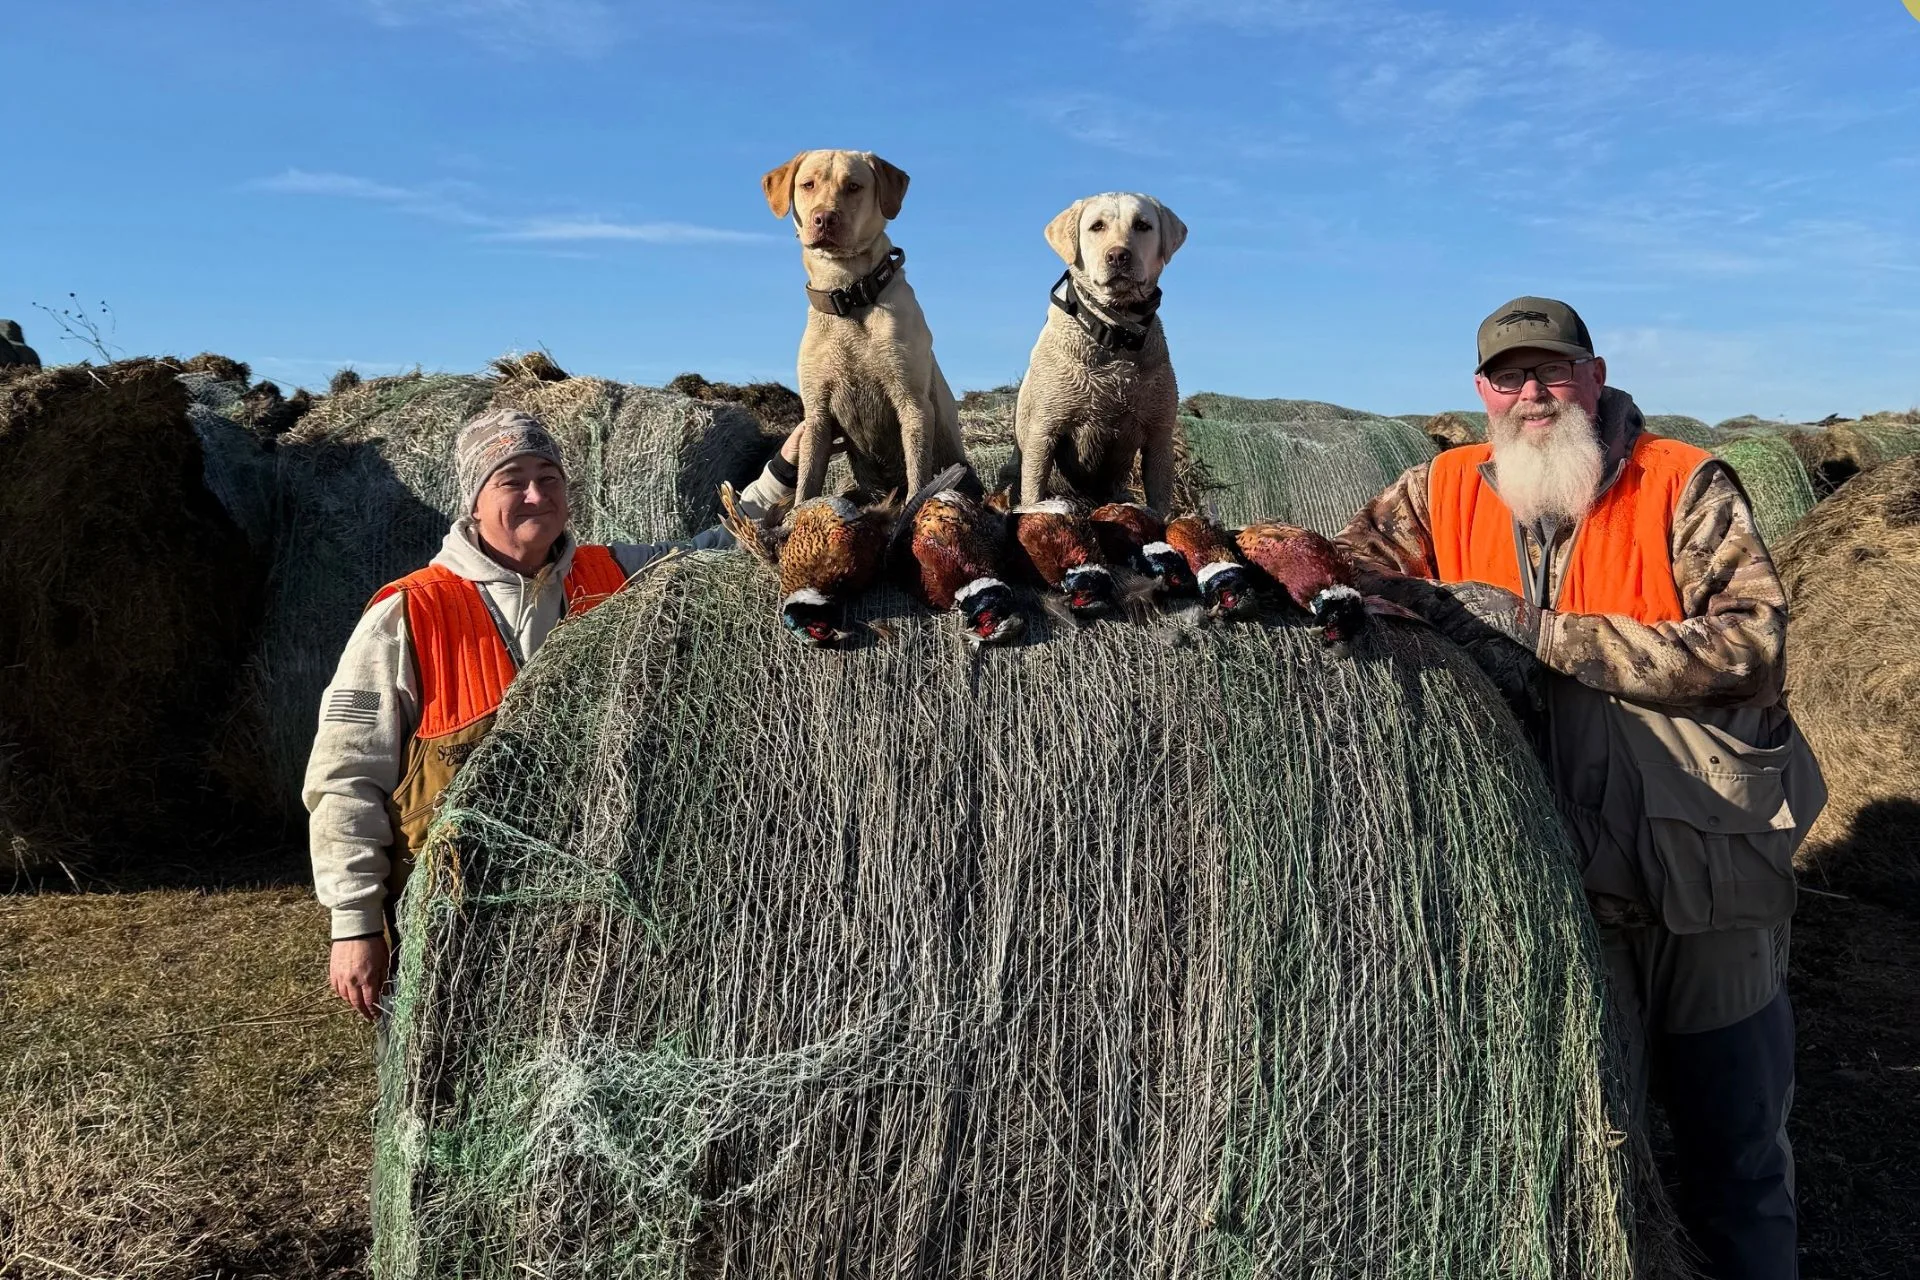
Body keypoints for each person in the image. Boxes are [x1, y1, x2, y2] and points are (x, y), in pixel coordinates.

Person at [1339, 297, 1825, 1280]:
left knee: (1735, 1152)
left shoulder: (1683, 483)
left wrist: (1544, 633)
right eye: (1509, 376)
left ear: (1593, 377)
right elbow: (1336, 578)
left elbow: (1753, 641)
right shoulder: (1436, 490)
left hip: (1704, 865)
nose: (1532, 395)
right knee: (1589, 1150)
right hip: (1551, 878)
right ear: (1481, 392)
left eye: (1552, 372)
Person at [308, 407, 801, 1020]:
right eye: (511, 480)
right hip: (456, 915)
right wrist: (353, 925)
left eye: (550, 477)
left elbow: (715, 551)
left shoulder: (616, 575)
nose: (537, 495)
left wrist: (784, 471)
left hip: (598, 907)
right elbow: (347, 779)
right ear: (474, 502)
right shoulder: (408, 614)